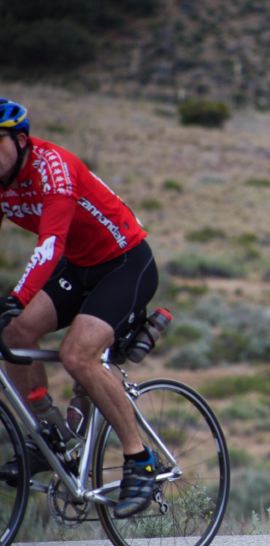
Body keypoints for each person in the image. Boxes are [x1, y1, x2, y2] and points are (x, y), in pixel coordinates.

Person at [0, 98, 160, 518]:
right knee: (14, 335)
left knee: (77, 354)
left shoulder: (53, 168)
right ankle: (49, 432)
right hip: (81, 266)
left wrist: (16, 298)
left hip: (125, 262)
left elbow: (49, 245)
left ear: (20, 140)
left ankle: (139, 459)